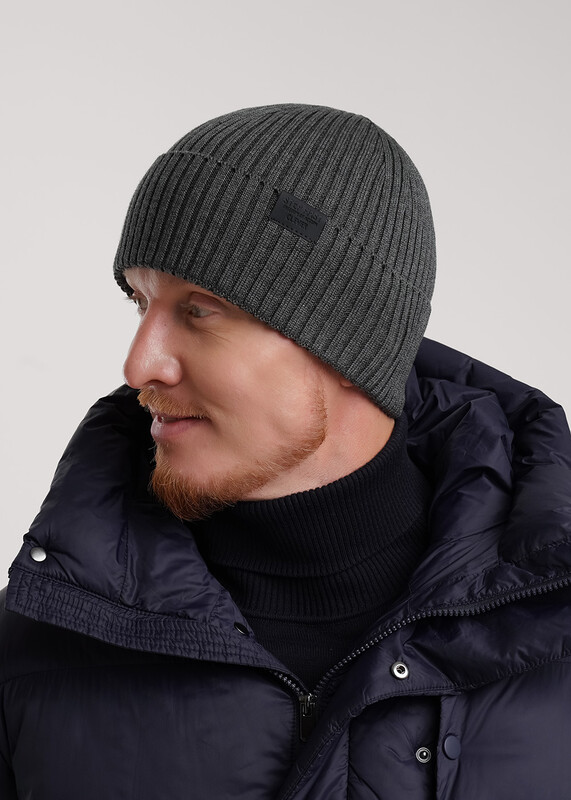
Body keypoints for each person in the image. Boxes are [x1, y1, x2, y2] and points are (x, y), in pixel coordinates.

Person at [1, 104, 571, 800]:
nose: (139, 364)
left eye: (199, 310)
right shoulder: (34, 646)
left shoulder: (550, 627)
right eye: (140, 304)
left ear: (350, 342)